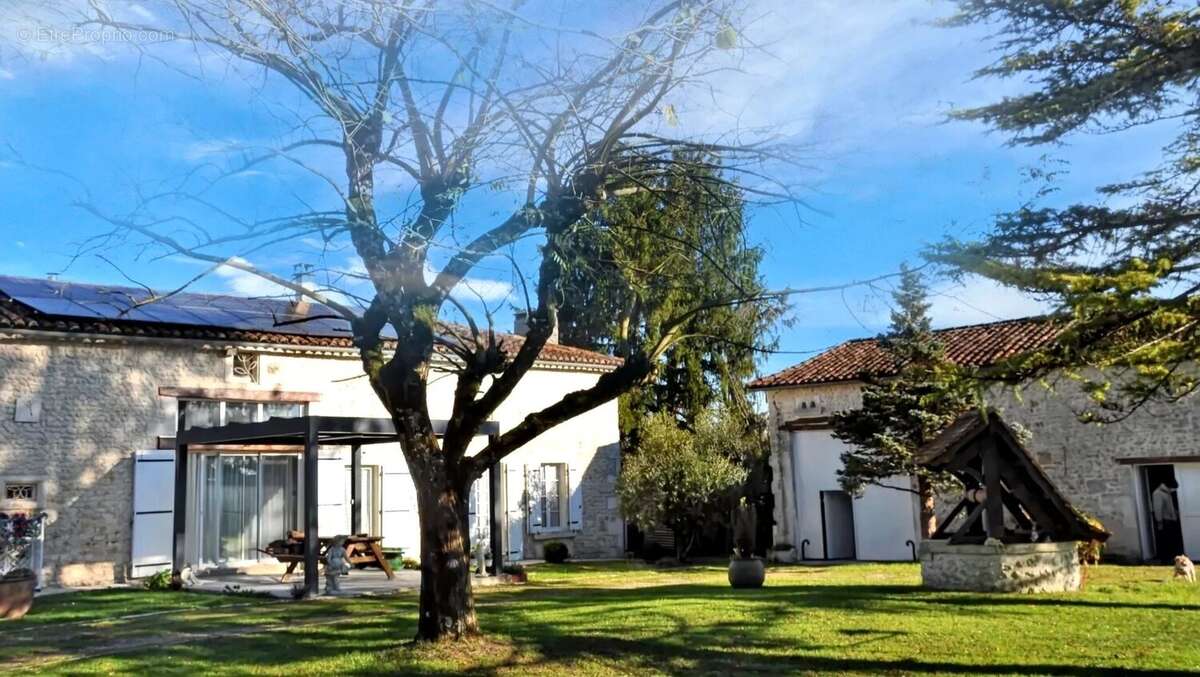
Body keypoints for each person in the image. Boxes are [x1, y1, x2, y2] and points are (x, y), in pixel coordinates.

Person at [1152, 481, 1182, 564]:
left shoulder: (1167, 493)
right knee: (1165, 540)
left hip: (1171, 520)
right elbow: (1158, 509)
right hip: (1165, 521)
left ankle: (1171, 557)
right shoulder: (1158, 494)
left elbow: (1171, 507)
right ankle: (1165, 559)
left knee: (1172, 540)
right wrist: (1159, 522)